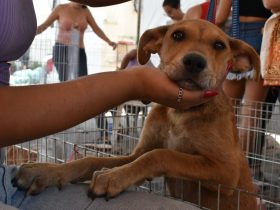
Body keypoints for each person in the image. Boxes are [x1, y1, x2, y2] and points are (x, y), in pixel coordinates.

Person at [0, 0, 220, 209]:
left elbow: (137, 165)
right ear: (154, 44)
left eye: (218, 45)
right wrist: (135, 82)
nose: (196, 56)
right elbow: (140, 162)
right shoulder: (159, 112)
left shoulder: (84, 12)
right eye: (179, 35)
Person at [215, 0, 272, 161]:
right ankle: (241, 169)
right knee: (251, 113)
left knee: (226, 111)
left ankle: (221, 163)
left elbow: (219, 18)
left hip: (235, 39)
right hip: (262, 37)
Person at [37, 2, 117, 81]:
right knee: (64, 80)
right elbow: (44, 25)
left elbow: (96, 28)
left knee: (83, 80)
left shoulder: (85, 11)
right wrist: (29, 33)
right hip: (61, 50)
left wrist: (109, 41)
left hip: (79, 51)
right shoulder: (60, 8)